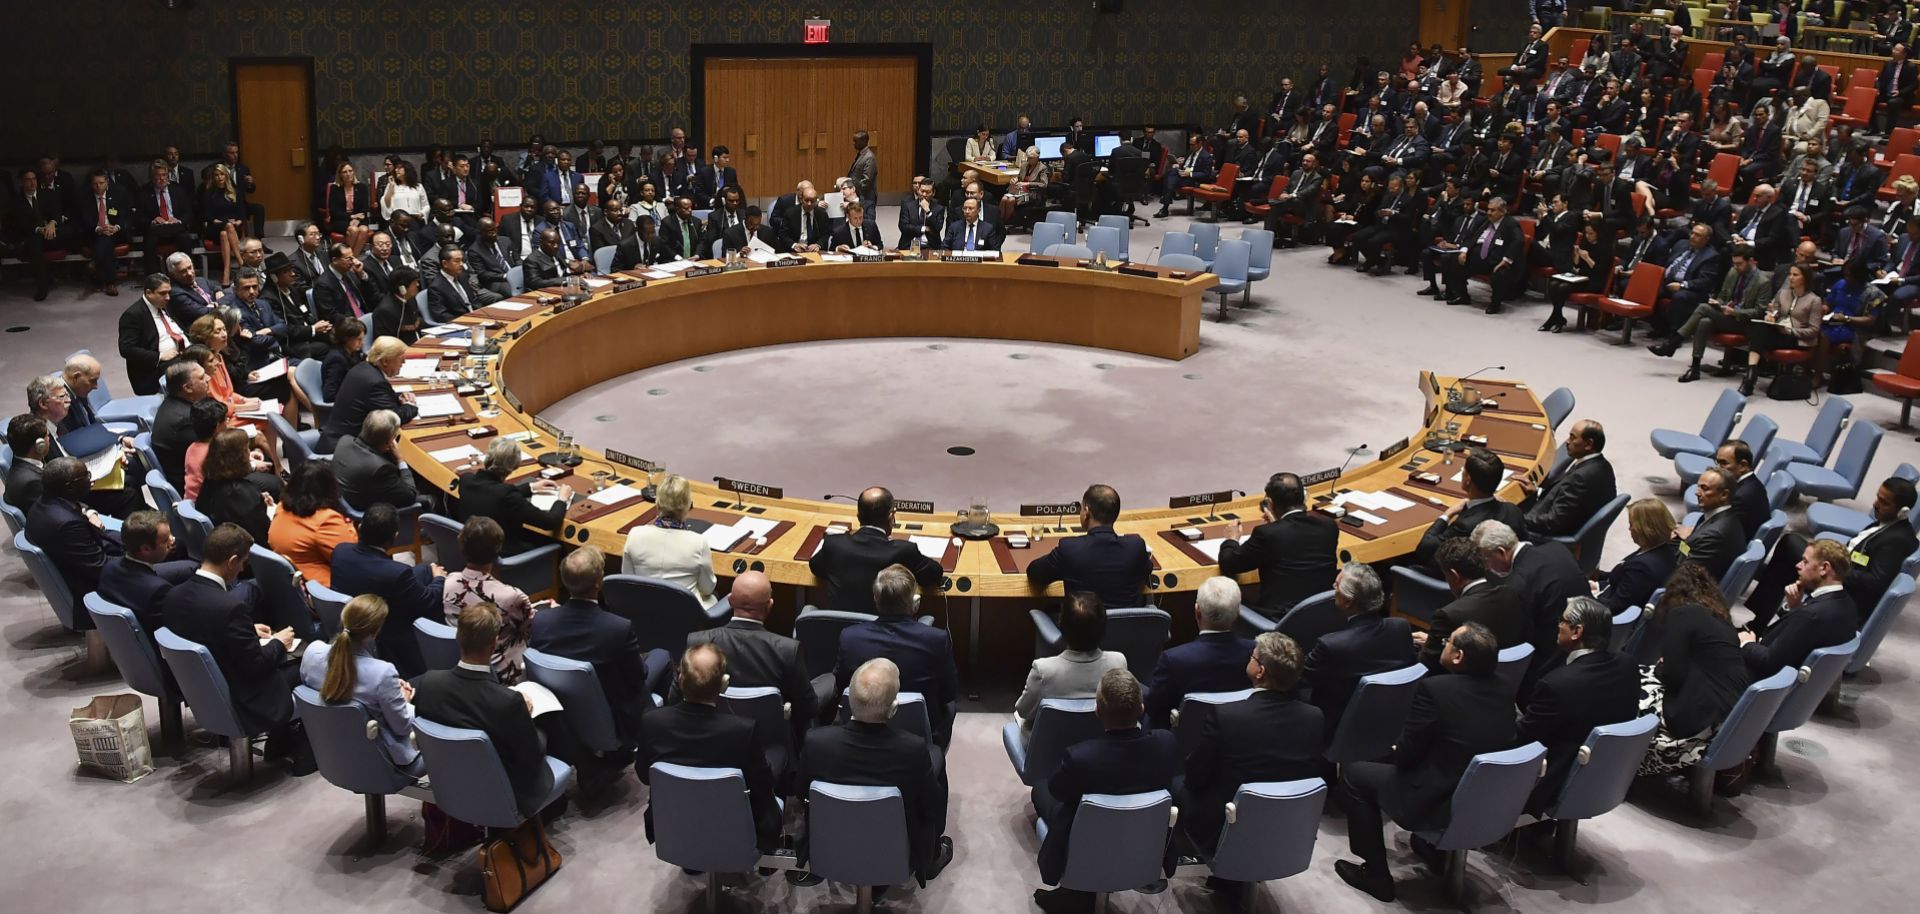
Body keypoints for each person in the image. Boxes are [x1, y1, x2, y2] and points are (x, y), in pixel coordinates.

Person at [1334, 622, 1516, 902]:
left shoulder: (1435, 689)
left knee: (1354, 774)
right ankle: (1432, 851)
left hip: (1437, 799)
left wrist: (1397, 749)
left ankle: (1376, 876)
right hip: (1487, 798)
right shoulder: (1505, 687)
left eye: (1448, 642)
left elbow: (1408, 755)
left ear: (1458, 656)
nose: (1443, 644)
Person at [1176, 631, 1323, 903]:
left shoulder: (1228, 716)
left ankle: (1184, 865)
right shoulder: (1314, 717)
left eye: (1253, 656)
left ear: (1260, 671)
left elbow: (1196, 777)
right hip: (1288, 826)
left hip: (1227, 820)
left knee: (1176, 783)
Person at [793, 658, 954, 889]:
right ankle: (930, 858)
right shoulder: (912, 749)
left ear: (849, 701)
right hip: (896, 847)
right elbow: (929, 804)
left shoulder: (817, 742)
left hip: (829, 842)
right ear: (894, 708)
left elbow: (800, 792)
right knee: (935, 762)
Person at [1031, 669, 1178, 914]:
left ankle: (1077, 891)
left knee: (1041, 791)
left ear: (1098, 711)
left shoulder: (1080, 757)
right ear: (1141, 709)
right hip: (1145, 844)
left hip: (1085, 845)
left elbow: (1057, 790)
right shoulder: (1166, 744)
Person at [161, 523, 301, 750]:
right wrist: (279, 642)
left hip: (198, 690)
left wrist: (247, 630)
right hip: (243, 697)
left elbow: (204, 630)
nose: (242, 568)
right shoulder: (231, 608)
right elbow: (257, 666)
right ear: (232, 561)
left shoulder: (173, 595)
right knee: (307, 664)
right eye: (243, 562)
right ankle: (289, 747)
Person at [413, 601, 557, 819]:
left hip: (450, 779)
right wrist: (528, 718)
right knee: (551, 726)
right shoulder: (509, 702)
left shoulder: (428, 683)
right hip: (505, 787)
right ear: (493, 643)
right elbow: (533, 753)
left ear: (458, 637)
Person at [640, 643, 781, 851]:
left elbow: (644, 775)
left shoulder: (652, 721)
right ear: (724, 684)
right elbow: (761, 784)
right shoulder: (742, 730)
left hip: (672, 824)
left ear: (679, 680)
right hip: (734, 828)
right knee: (780, 755)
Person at [530, 547, 670, 746]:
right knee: (661, 655)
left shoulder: (541, 621)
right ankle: (658, 735)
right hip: (613, 709)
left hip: (564, 709)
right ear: (599, 582)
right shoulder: (617, 628)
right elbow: (639, 675)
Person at [1516, 597, 1641, 813]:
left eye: (1562, 621)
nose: (1559, 625)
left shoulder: (1558, 684)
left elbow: (1522, 738)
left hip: (1553, 779)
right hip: (1604, 776)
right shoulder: (1628, 666)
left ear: (1577, 632)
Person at [1638, 564, 1751, 776]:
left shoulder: (1682, 614)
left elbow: (1673, 675)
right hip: (1724, 720)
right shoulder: (1722, 619)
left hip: (1692, 721)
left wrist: (1664, 665)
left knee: (1626, 681)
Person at [833, 564, 961, 746]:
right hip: (921, 737)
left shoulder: (850, 637)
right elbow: (949, 693)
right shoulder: (936, 640)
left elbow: (841, 688)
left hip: (861, 732)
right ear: (915, 602)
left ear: (875, 599)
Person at [300, 594, 425, 777]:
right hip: (383, 759)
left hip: (333, 750)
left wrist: (388, 689)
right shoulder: (382, 673)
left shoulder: (313, 651)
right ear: (375, 632)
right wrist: (405, 701)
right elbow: (402, 727)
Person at [686, 570, 819, 738]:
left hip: (710, 736)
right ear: (770, 605)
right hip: (770, 740)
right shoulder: (787, 650)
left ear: (730, 601)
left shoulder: (698, 643)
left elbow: (677, 698)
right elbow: (808, 709)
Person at [330, 502, 442, 678]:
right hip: (387, 632)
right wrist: (439, 578)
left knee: (424, 569)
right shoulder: (396, 573)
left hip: (352, 614)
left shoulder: (340, 551)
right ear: (394, 537)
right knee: (434, 579)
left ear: (359, 527)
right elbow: (427, 601)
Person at [1305, 562, 1416, 735]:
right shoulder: (1401, 628)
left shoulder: (1332, 645)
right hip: (1389, 721)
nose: (1334, 588)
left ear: (1348, 601)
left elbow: (1298, 678)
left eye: (1337, 585)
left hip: (1338, 728)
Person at [1217, 471, 1338, 617]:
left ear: (1272, 504)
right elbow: (1296, 543)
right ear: (1303, 498)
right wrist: (1278, 524)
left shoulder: (1267, 534)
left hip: (1281, 620)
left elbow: (1229, 563)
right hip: (1324, 614)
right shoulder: (1329, 526)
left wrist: (1231, 539)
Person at [808, 486, 942, 613]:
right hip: (883, 634)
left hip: (840, 634)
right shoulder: (904, 551)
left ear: (858, 516)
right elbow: (934, 574)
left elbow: (815, 567)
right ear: (891, 517)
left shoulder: (834, 544)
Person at [1144, 576, 1255, 728]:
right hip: (1240, 736)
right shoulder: (1255, 654)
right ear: (1237, 613)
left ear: (1197, 611)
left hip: (1184, 742)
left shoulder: (1173, 660)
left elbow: (1153, 708)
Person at [1740, 539, 1860, 677]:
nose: (1798, 565)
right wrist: (1795, 607)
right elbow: (1803, 638)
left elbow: (1769, 662)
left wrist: (1747, 643)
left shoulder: (1811, 615)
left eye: (1805, 561)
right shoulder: (1848, 605)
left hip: (1754, 680)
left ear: (1824, 568)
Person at [1014, 592, 1127, 734]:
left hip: (1051, 747)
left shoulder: (1043, 670)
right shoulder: (1118, 663)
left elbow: (1023, 711)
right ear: (1104, 628)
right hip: (1101, 744)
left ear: (1061, 625)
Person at [1027, 484, 1152, 610]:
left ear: (1086, 512)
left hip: (1082, 629)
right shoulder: (1136, 547)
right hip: (1127, 628)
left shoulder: (1069, 549)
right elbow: (1147, 569)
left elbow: (1035, 574)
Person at [1657, 247, 1775, 380]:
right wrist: (1717, 302)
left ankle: (1673, 342)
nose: (1736, 267)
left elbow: (1759, 311)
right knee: (1704, 322)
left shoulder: (1763, 282)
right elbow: (1723, 295)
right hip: (1725, 315)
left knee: (1702, 308)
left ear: (1751, 261)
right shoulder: (1732, 272)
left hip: (1743, 322)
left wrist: (1735, 312)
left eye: (1739, 264)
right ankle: (1695, 368)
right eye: (1734, 263)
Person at [443, 516, 536, 683]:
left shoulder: (449, 582)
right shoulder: (511, 596)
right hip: (505, 675)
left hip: (462, 664)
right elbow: (532, 627)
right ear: (498, 549)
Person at [1474, 520, 1588, 656]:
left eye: (1486, 560)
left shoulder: (1515, 586)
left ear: (1501, 552)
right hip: (1590, 631)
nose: (1486, 567)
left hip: (1556, 655)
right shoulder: (1558, 548)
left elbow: (1518, 639)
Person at [1417, 538, 1530, 669]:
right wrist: (1436, 642)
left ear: (1454, 575)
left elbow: (1429, 664)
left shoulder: (1448, 615)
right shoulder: (1512, 594)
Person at [23, 457, 124, 599]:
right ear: (70, 487)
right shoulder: (67, 524)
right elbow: (100, 567)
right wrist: (138, 558)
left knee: (150, 537)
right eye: (86, 476)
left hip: (97, 550)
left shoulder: (44, 503)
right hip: (104, 586)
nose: (90, 480)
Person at [1414, 447, 1527, 568]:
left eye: (1464, 470)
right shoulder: (1513, 510)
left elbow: (1424, 547)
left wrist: (1447, 514)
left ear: (1468, 480)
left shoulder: (1464, 525)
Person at [619, 474, 719, 609]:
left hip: (643, 613)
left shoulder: (635, 534)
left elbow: (628, 581)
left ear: (657, 503)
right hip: (685, 617)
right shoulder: (699, 543)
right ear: (689, 505)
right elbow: (708, 589)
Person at [96, 509, 198, 635]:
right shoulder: (158, 591)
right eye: (166, 540)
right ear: (145, 549)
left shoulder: (109, 568)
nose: (172, 541)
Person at [1515, 420, 1616, 540]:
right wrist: (1535, 493)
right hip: (1555, 515)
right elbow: (1566, 498)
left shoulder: (1581, 478)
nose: (1567, 441)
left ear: (1589, 444)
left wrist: (1517, 518)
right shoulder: (1602, 465)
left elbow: (1553, 522)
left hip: (1542, 536)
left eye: (1573, 438)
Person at [318, 336, 417, 454]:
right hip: (346, 447)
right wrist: (411, 405)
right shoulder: (375, 382)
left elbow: (375, 398)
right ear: (385, 361)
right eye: (401, 359)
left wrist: (398, 397)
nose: (403, 362)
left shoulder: (364, 368)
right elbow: (393, 418)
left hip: (338, 436)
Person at [1595, 498, 1683, 613]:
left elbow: (1615, 607)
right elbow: (1623, 577)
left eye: (1632, 525)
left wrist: (1583, 591)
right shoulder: (1664, 549)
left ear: (1645, 529)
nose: (1629, 529)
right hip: (1608, 589)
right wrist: (1597, 575)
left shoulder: (1642, 567)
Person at [197, 428, 274, 543]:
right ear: (239, 457)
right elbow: (266, 535)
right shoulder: (241, 493)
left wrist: (258, 500)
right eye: (246, 449)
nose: (249, 452)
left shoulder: (210, 479)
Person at [117, 273, 190, 396]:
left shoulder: (165, 305)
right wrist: (159, 356)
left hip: (183, 353)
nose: (168, 297)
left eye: (168, 292)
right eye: (162, 293)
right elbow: (126, 349)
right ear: (149, 293)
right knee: (190, 369)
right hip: (154, 369)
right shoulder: (133, 315)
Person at [333, 409, 418, 512]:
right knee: (433, 497)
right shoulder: (381, 468)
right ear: (390, 441)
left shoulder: (344, 440)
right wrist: (401, 460)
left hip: (345, 498)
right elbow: (410, 495)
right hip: (367, 509)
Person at [1680, 466, 1748, 582]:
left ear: (1724, 495)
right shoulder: (1721, 515)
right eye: (1698, 487)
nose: (1697, 493)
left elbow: (1683, 574)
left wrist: (1682, 543)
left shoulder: (1714, 534)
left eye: (1704, 488)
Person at [370, 266, 423, 345]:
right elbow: (386, 344)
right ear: (402, 289)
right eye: (414, 283)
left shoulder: (410, 299)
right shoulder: (385, 311)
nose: (418, 285)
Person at [319, 318, 366, 402]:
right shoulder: (336, 360)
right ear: (346, 339)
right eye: (359, 339)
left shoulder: (354, 352)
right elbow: (330, 395)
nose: (362, 343)